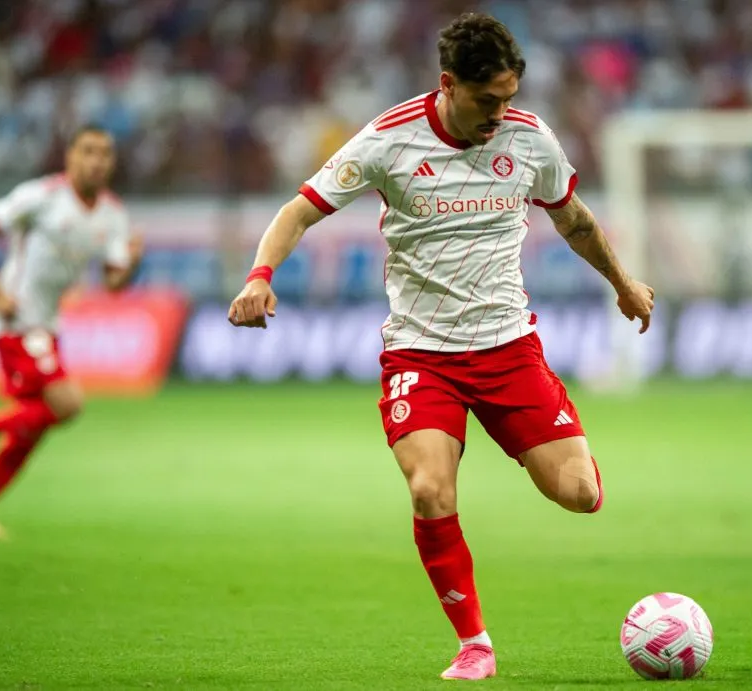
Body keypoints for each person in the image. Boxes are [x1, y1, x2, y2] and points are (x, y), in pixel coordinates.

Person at [228, 13, 654, 681]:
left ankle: (549, 438)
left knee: (578, 493)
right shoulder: (388, 140)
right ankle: (474, 643)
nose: (499, 113)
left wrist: (623, 284)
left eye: (508, 98)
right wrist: (260, 276)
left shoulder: (530, 139)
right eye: (487, 100)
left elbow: (574, 219)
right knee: (430, 489)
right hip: (422, 355)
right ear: (448, 84)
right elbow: (298, 210)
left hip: (509, 349)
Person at [0, 125, 143, 539]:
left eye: (104, 153)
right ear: (70, 157)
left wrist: (132, 263)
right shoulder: (42, 196)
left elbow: (113, 283)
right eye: (88, 151)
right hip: (15, 320)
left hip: (47, 325)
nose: (96, 161)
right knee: (66, 404)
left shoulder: (113, 214)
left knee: (31, 428)